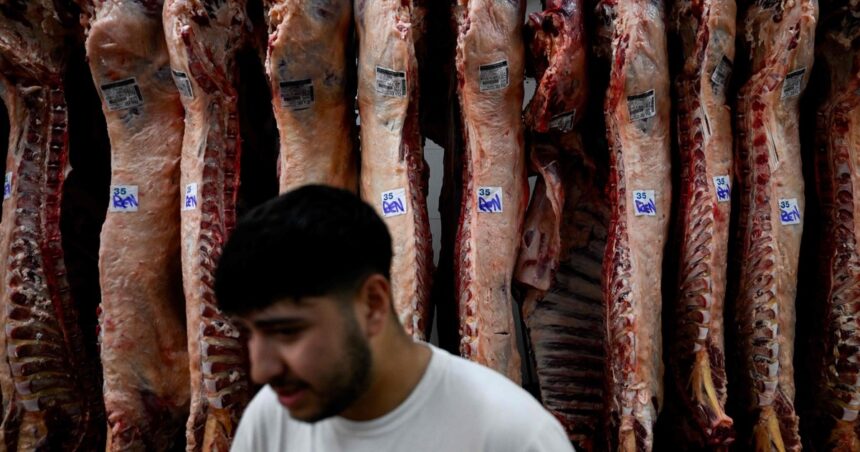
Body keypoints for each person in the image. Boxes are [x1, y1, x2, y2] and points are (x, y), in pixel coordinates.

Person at [215, 184, 574, 451]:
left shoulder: (513, 434)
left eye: (287, 332)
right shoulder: (271, 418)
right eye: (248, 333)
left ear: (372, 302)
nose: (260, 370)